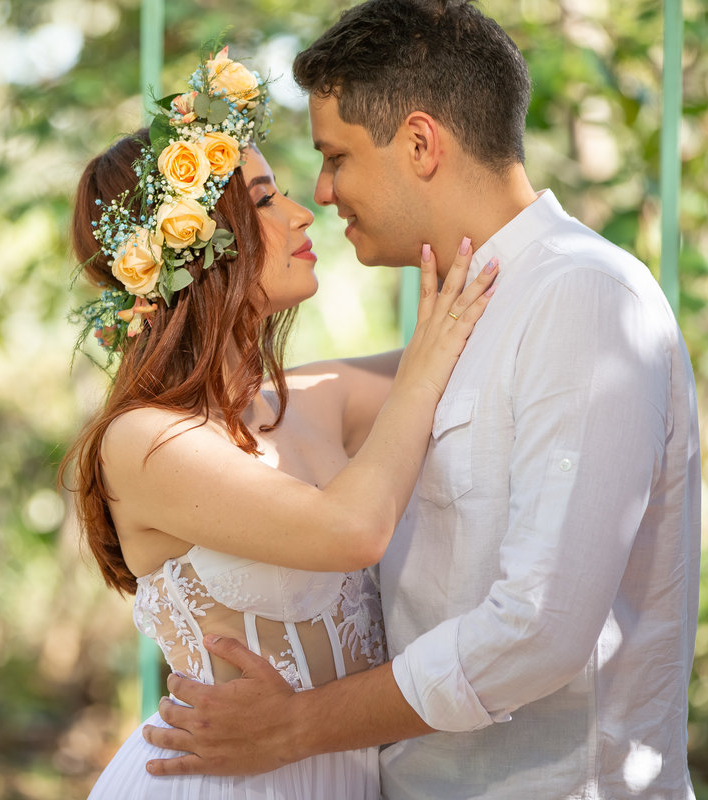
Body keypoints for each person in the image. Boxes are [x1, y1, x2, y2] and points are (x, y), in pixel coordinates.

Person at [142, 2, 702, 798]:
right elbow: (259, 411)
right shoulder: (466, 311)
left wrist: (299, 726)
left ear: (418, 143)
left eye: (335, 157)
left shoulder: (582, 298)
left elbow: (541, 627)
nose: (325, 193)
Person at [63, 45, 496, 798]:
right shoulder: (147, 441)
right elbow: (351, 530)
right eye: (263, 201)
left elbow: (483, 335)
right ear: (198, 253)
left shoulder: (313, 396)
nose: (303, 211)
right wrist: (424, 363)